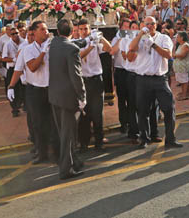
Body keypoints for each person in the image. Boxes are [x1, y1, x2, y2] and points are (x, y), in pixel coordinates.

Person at [129, 16, 182, 149]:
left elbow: (168, 55)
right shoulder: (139, 37)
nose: (150, 26)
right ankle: (144, 138)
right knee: (142, 110)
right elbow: (131, 50)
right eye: (147, 24)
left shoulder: (164, 38)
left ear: (156, 25)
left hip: (159, 78)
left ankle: (170, 139)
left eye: (152, 24)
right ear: (142, 25)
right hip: (143, 79)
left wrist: (153, 44)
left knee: (169, 108)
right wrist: (141, 34)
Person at [48, 19, 86, 180]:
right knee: (68, 135)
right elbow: (76, 76)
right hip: (68, 98)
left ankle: (73, 162)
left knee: (63, 132)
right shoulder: (71, 49)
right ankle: (65, 169)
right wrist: (82, 96)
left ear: (57, 31)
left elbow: (70, 43)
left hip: (55, 95)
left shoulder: (54, 45)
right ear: (72, 31)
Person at [19, 21, 55, 164]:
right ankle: (41, 153)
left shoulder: (51, 47)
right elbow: (33, 67)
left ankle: (54, 150)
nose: (46, 32)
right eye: (43, 29)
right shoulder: (28, 49)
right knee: (38, 124)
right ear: (34, 33)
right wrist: (43, 52)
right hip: (36, 91)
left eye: (46, 29)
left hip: (51, 88)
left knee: (53, 122)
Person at [74, 19, 112, 150]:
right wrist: (92, 45)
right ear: (78, 31)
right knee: (84, 113)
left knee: (97, 113)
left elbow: (109, 49)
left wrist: (101, 38)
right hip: (83, 82)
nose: (84, 31)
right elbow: (80, 55)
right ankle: (83, 142)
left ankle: (99, 141)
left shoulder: (94, 41)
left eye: (86, 29)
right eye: (82, 29)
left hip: (96, 80)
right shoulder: (75, 43)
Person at [110, 19, 131, 134]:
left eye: (129, 27)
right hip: (121, 71)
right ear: (121, 28)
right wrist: (121, 39)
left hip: (131, 71)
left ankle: (132, 123)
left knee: (132, 99)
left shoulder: (133, 36)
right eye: (125, 27)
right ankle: (124, 124)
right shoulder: (116, 38)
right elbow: (112, 51)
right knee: (122, 100)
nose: (127, 29)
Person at [1, 27, 23, 117]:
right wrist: (14, 59)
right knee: (12, 88)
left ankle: (21, 104)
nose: (15, 35)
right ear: (10, 35)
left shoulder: (24, 42)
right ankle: (14, 108)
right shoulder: (8, 44)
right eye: (13, 34)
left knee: (22, 88)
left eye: (16, 33)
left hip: (22, 69)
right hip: (12, 69)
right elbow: (4, 58)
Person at [172, 31, 189, 101]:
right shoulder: (181, 45)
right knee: (182, 80)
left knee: (184, 81)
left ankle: (184, 95)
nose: (176, 38)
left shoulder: (185, 45)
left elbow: (182, 56)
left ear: (182, 38)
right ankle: (185, 92)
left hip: (183, 66)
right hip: (179, 67)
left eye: (178, 37)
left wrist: (174, 55)